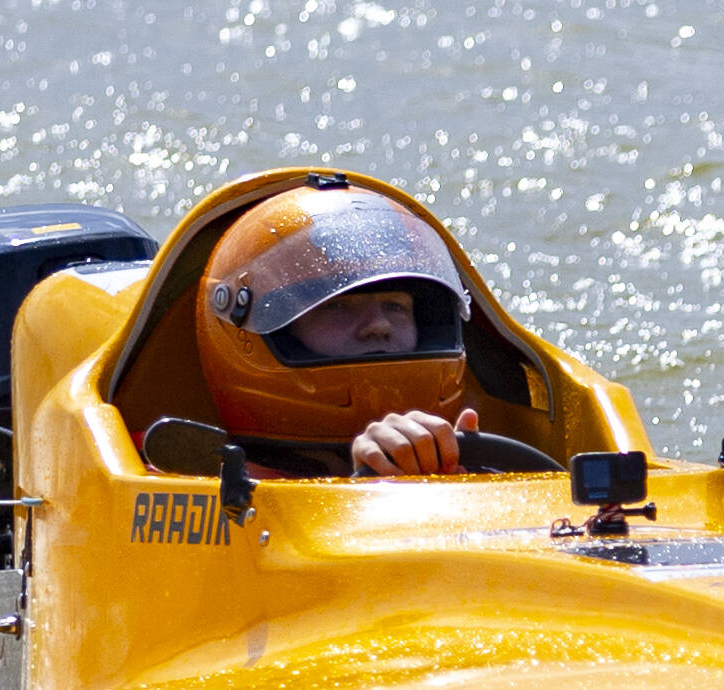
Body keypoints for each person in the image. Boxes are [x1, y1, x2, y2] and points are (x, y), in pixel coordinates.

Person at [190, 182, 495, 476]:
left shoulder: (476, 467)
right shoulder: (223, 488)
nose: (379, 324)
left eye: (395, 306)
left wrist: (449, 474)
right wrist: (373, 483)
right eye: (337, 307)